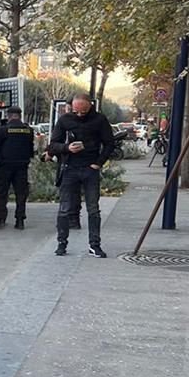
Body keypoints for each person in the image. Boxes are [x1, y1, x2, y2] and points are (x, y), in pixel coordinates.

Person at [49, 93, 115, 258]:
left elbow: (109, 143)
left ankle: (95, 245)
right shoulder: (64, 120)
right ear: (71, 107)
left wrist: (98, 163)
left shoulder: (99, 120)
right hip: (69, 167)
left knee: (93, 209)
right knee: (64, 208)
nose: (79, 114)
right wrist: (67, 148)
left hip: (90, 168)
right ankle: (61, 243)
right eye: (75, 111)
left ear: (90, 106)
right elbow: (53, 145)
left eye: (83, 111)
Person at [0, 106, 34, 229]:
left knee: (1, 193)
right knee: (21, 194)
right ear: (20, 116)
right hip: (22, 167)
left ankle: (1, 220)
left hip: (5, 166)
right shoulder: (28, 130)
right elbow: (31, 148)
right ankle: (20, 221)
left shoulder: (3, 130)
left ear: (8, 116)